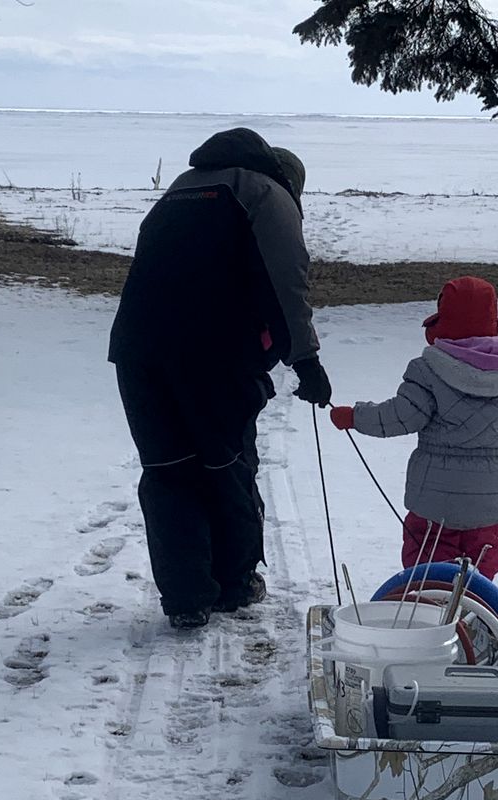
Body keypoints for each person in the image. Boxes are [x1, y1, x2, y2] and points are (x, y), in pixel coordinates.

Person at [109, 127, 331, 628]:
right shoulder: (266, 194)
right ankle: (233, 584)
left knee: (168, 471)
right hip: (212, 355)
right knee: (225, 462)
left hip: (137, 352)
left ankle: (187, 598)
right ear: (289, 181)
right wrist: (307, 361)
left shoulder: (183, 187)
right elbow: (286, 282)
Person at [329, 276, 498, 580]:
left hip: (433, 501)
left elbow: (402, 415)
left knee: (428, 568)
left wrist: (355, 417)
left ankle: (427, 615)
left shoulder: (428, 370)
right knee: (480, 567)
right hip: (489, 498)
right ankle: (471, 613)